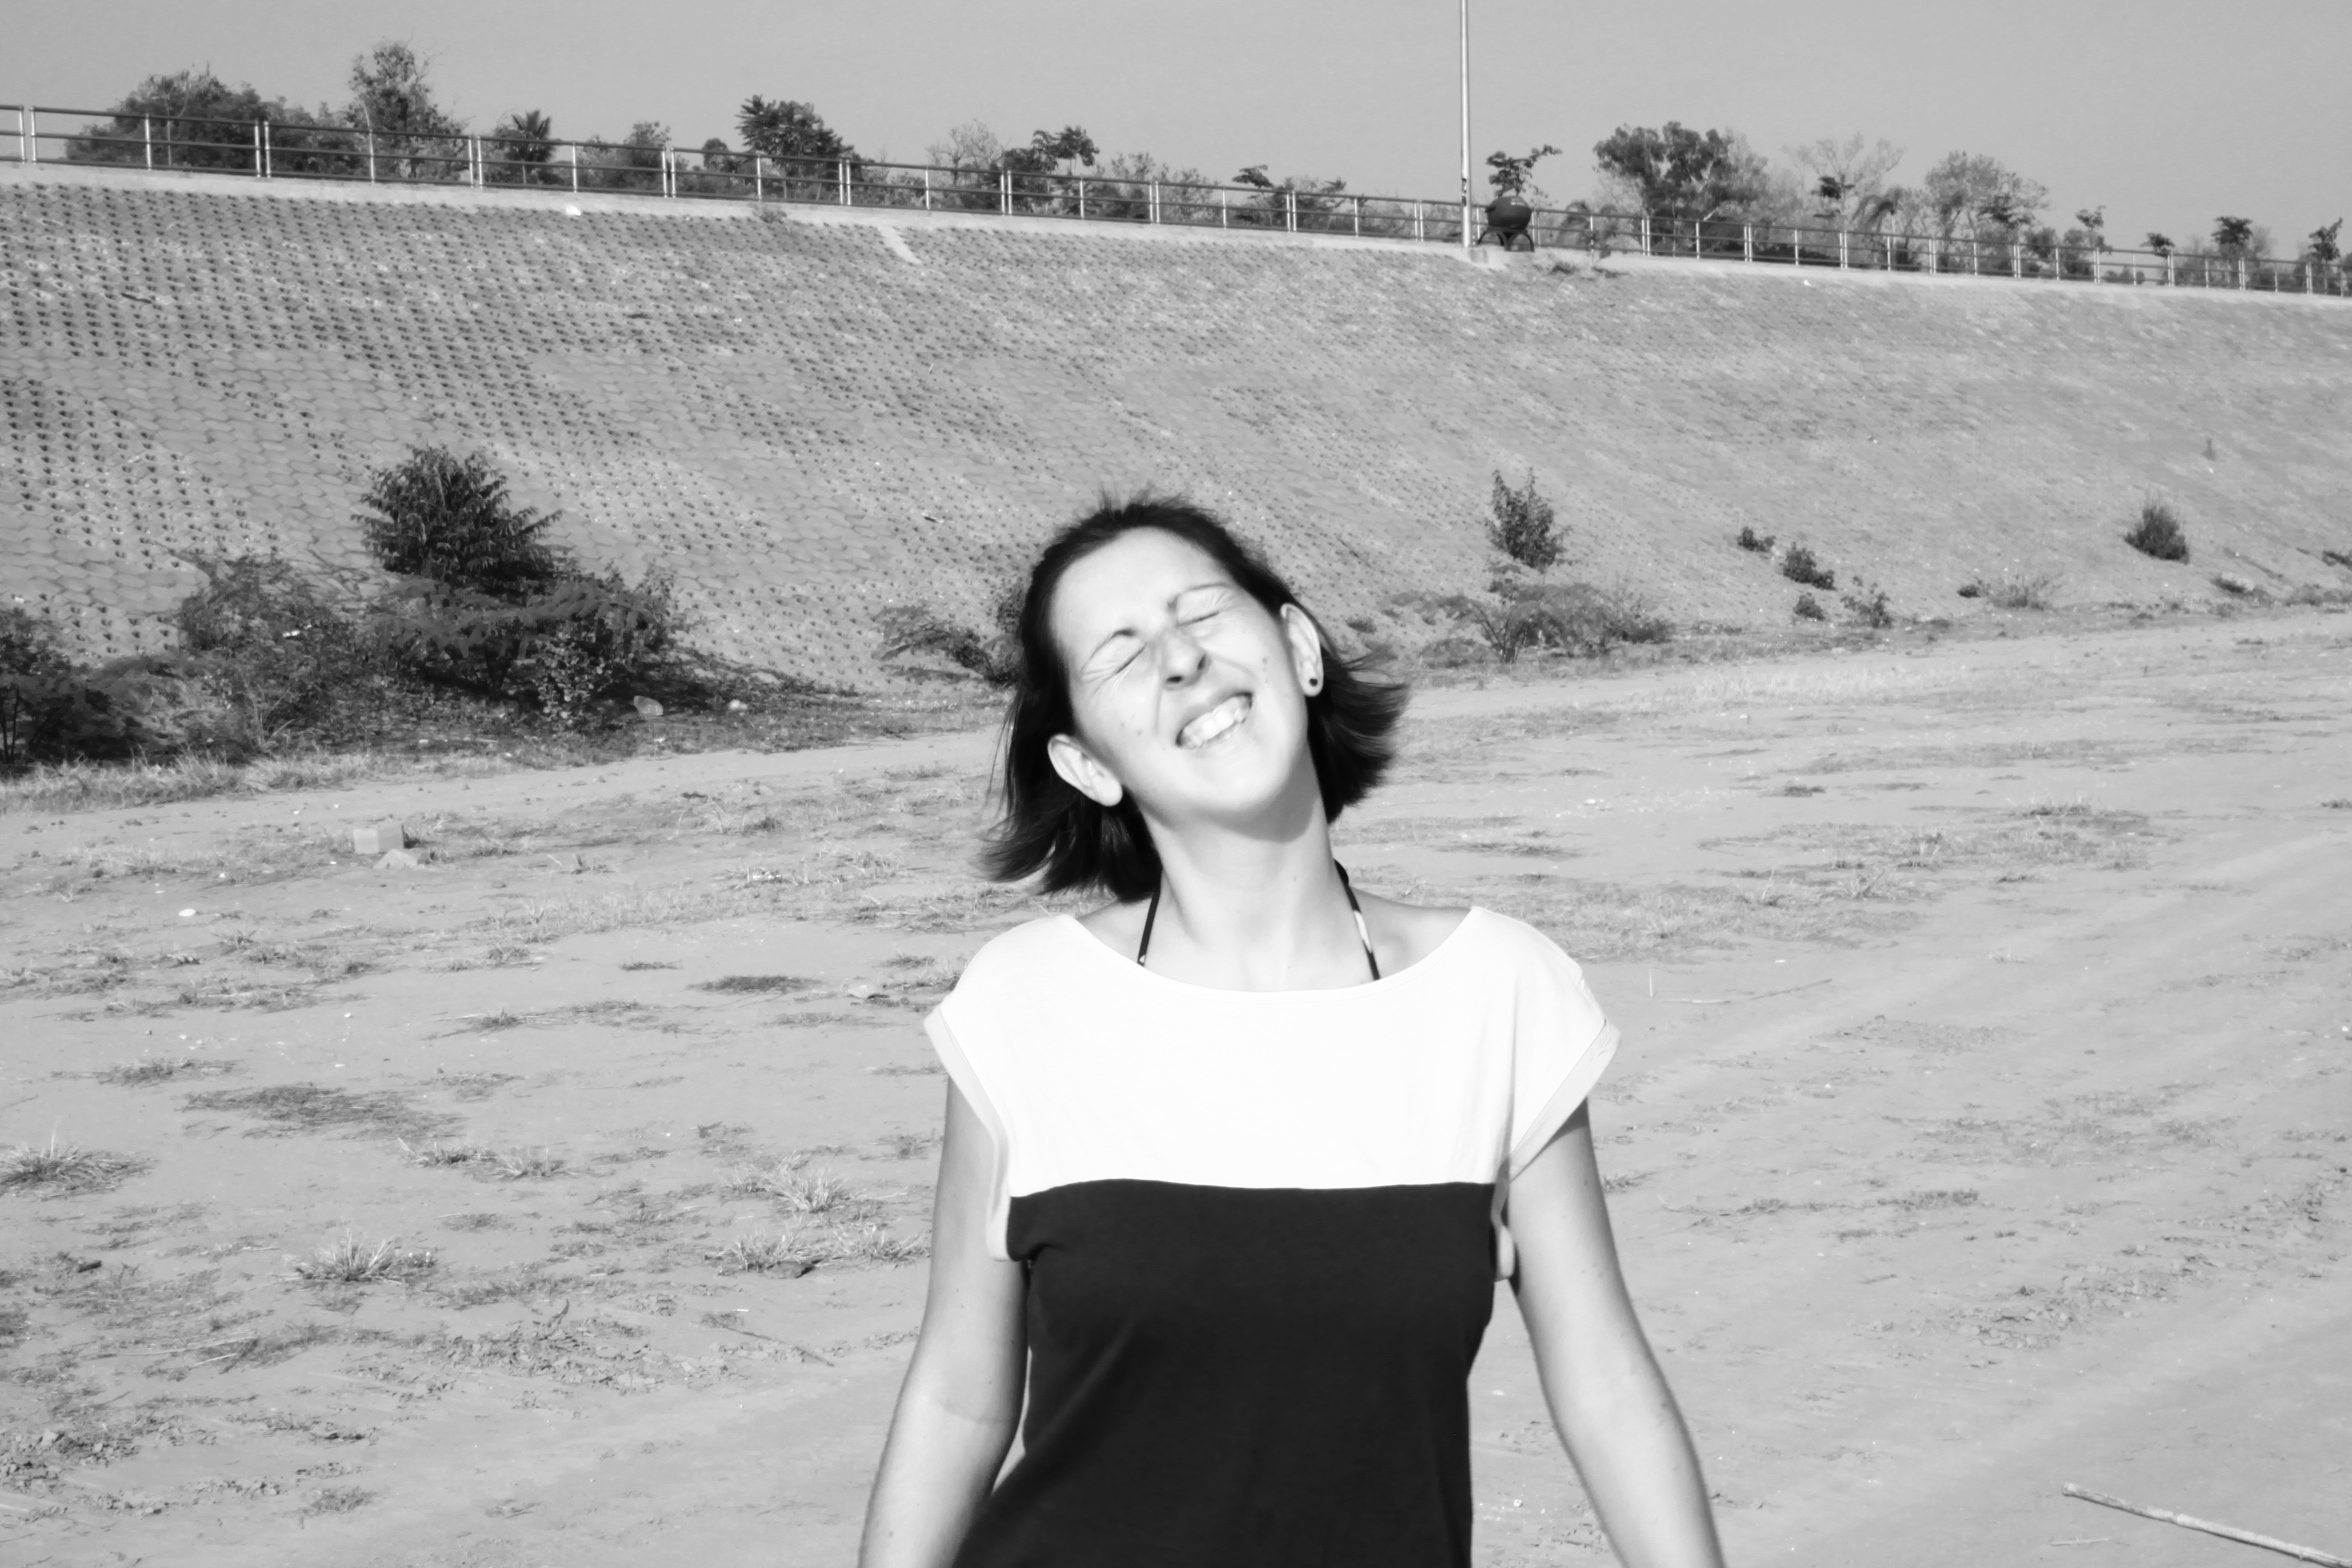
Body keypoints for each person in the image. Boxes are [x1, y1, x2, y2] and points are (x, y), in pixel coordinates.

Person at [858, 496, 1723, 1568]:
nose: (1181, 659)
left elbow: (1604, 1383)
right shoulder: (1022, 1003)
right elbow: (958, 1397)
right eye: (1121, 653)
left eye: (1202, 612)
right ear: (1086, 763)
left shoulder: (1497, 992)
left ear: (1300, 650)